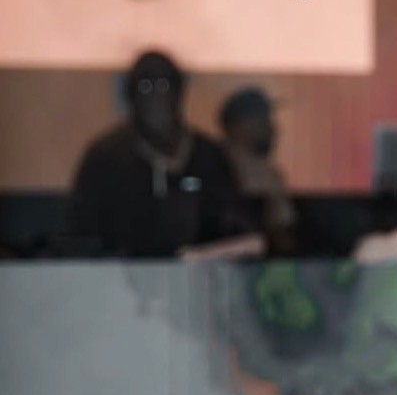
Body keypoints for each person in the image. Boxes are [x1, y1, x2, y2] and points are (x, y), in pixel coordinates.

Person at [68, 49, 246, 256]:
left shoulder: (209, 157)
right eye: (145, 87)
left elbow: (236, 230)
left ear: (178, 94)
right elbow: (82, 236)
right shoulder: (104, 159)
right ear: (132, 97)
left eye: (164, 86)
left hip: (200, 273)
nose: (156, 96)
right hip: (123, 273)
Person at [218, 85, 297, 253]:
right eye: (262, 119)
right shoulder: (218, 165)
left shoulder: (267, 171)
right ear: (238, 125)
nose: (272, 128)